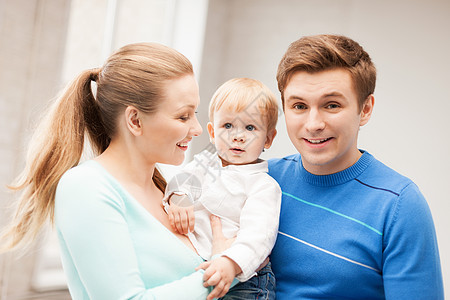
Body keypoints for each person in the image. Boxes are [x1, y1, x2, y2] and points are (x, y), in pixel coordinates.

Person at [1, 42, 234, 299]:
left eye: (195, 113)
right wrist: (226, 271)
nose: (198, 129)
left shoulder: (168, 192)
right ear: (135, 120)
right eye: (183, 116)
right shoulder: (86, 187)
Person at [268, 34, 444, 299]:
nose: (313, 123)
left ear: (365, 109)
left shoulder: (399, 205)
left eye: (332, 105)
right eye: (299, 106)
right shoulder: (261, 179)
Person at [163, 78, 281, 299]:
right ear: (212, 132)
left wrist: (230, 262)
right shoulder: (204, 163)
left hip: (246, 281)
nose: (238, 135)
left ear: (269, 138)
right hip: (204, 268)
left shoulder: (263, 186)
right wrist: (179, 197)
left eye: (250, 127)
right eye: (228, 126)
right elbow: (181, 181)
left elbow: (258, 237)